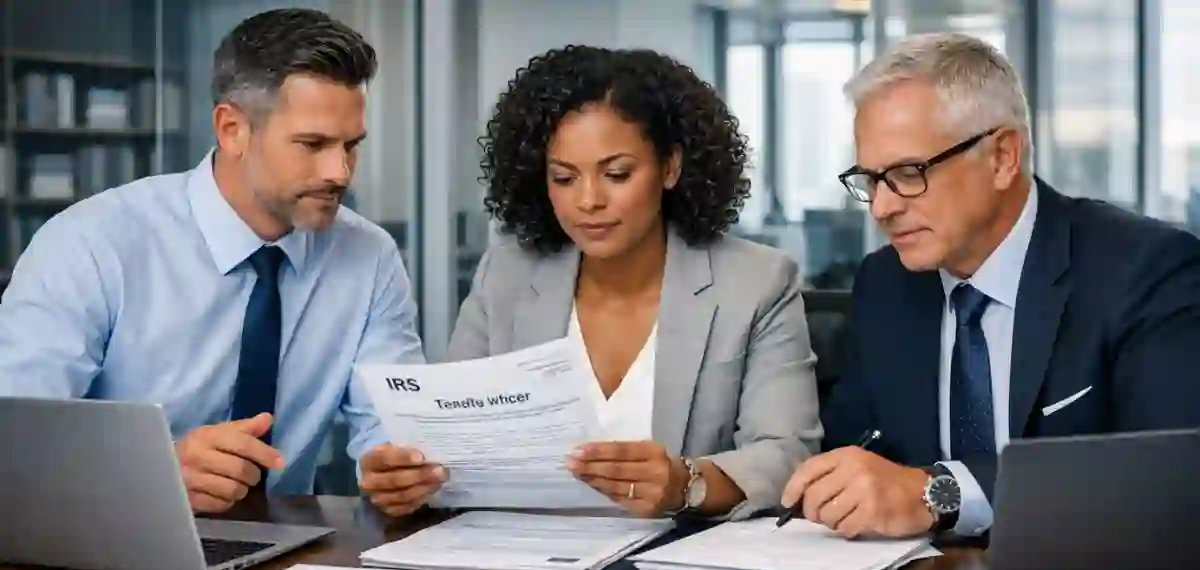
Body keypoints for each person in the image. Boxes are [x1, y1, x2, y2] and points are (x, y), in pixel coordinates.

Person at [0, 8, 441, 516]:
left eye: (351, 147)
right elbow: (16, 441)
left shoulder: (369, 256)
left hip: (282, 555)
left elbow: (391, 423)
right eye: (312, 144)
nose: (339, 172)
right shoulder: (93, 244)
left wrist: (397, 467)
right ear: (232, 129)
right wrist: (149, 477)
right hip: (112, 545)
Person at [782, 32, 1200, 540]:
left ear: (1003, 157)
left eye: (909, 173)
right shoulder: (886, 283)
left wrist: (940, 492)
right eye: (870, 181)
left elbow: (1166, 478)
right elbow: (859, 449)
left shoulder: (1142, 269)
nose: (884, 207)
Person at [436, 45, 822, 521]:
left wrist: (688, 483)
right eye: (564, 177)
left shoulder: (757, 282)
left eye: (617, 174)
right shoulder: (506, 276)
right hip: (523, 563)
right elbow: (452, 440)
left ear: (671, 167)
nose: (589, 200)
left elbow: (787, 456)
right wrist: (416, 475)